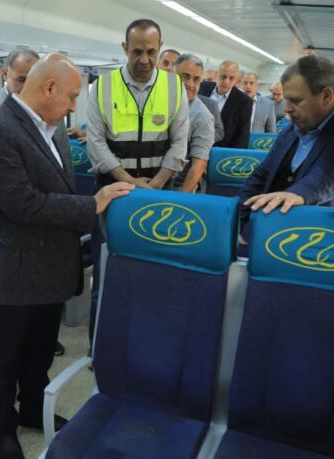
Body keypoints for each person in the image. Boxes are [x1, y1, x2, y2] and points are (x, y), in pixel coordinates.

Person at [0, 53, 134, 459]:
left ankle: (31, 408)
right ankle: (0, 426)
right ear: (49, 88)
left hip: (48, 266)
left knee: (40, 349)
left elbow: (54, 188)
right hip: (11, 269)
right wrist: (92, 204)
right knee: (2, 358)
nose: (75, 106)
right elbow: (22, 203)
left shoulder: (50, 128)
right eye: (72, 96)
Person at [85, 18, 188, 347]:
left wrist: (154, 185)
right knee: (107, 272)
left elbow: (180, 144)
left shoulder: (175, 87)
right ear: (125, 48)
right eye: (137, 52)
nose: (145, 59)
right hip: (112, 193)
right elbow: (96, 143)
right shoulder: (101, 87)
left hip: (159, 193)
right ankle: (99, 347)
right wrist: (129, 182)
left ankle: (147, 346)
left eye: (151, 52)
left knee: (154, 273)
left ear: (160, 49)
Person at [0, 46, 69, 356]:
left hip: (42, 225)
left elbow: (63, 166)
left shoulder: (53, 111)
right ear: (5, 74)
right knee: (3, 342)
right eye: (21, 79)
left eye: (33, 79)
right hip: (7, 230)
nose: (27, 87)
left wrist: (60, 209)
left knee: (37, 337)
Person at [239, 55, 334, 222]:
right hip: (280, 232)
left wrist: (297, 194)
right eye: (287, 100)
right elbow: (262, 176)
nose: (287, 109)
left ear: (326, 96)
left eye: (296, 101)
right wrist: (237, 220)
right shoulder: (290, 131)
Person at [171, 53, 215, 192]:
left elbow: (199, 165)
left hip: (176, 187)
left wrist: (181, 198)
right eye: (185, 77)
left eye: (196, 79)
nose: (190, 84)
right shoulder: (157, 101)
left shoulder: (203, 117)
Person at [199, 60, 252, 148]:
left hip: (221, 150)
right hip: (195, 144)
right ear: (216, 75)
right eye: (223, 76)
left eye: (231, 78)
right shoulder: (202, 87)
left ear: (236, 80)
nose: (226, 81)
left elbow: (242, 136)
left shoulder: (244, 102)